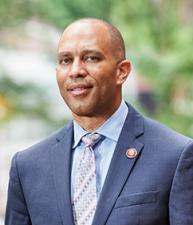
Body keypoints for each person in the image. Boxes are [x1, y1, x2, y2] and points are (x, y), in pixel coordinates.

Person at [5, 18, 193, 225]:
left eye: (91, 58)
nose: (76, 70)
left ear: (122, 71)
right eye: (66, 60)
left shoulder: (175, 156)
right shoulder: (27, 167)